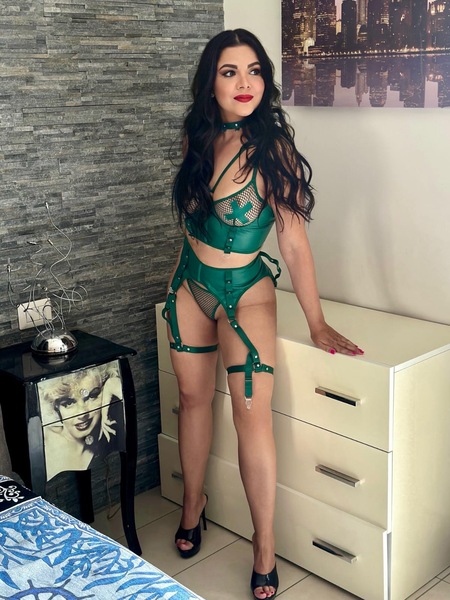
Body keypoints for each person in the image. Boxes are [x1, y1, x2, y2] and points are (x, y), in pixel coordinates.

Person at [162, 28, 363, 600]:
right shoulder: (197, 136)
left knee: (251, 417)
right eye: (230, 72)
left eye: (254, 70)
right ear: (211, 83)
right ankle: (193, 504)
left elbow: (293, 243)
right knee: (192, 400)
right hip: (189, 287)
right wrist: (176, 281)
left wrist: (316, 321)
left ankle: (265, 544)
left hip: (246, 293)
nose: (244, 83)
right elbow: (191, 224)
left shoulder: (272, 150)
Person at [39, 362, 123, 480]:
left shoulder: (110, 433)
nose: (82, 413)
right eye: (68, 403)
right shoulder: (44, 439)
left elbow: (119, 387)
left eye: (92, 396)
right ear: (55, 407)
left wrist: (110, 384)